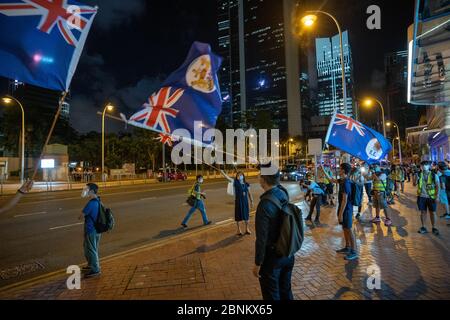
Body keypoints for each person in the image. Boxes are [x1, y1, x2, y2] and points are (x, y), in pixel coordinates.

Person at [253, 167, 294, 300]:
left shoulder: (264, 204)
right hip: (288, 252)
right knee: (286, 291)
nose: (258, 178)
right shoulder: (283, 193)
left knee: (271, 295)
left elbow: (261, 238)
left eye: (260, 176)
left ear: (264, 180)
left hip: (272, 258)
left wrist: (258, 263)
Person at [78, 183, 102, 278]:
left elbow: (80, 216)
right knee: (92, 249)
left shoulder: (91, 203)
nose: (85, 191)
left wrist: (82, 213)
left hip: (91, 230)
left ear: (91, 191)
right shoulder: (98, 201)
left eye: (86, 189)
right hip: (97, 230)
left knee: (91, 250)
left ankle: (95, 269)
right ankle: (91, 266)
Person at [335, 163, 358, 261]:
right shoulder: (342, 180)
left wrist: (340, 214)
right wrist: (322, 169)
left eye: (340, 168)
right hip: (343, 208)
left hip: (347, 210)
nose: (338, 170)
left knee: (349, 229)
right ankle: (347, 247)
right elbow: (331, 180)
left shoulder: (346, 183)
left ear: (343, 170)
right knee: (345, 228)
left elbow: (345, 200)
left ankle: (354, 251)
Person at [220, 170, 254, 235]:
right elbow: (228, 178)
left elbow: (249, 193)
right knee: (238, 215)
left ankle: (247, 229)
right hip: (238, 201)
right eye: (238, 175)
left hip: (245, 202)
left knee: (246, 215)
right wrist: (223, 172)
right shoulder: (235, 182)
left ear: (243, 176)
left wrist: (251, 201)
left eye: (241, 175)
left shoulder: (247, 184)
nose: (239, 176)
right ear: (236, 176)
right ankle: (238, 230)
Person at [416, 161, 440, 235]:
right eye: (422, 165)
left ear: (429, 166)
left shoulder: (433, 175)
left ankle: (434, 227)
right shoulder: (419, 174)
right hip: (421, 196)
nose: (424, 166)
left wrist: (437, 196)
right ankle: (423, 227)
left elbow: (437, 186)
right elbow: (415, 183)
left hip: (431, 197)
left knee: (432, 212)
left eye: (426, 165)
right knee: (423, 212)